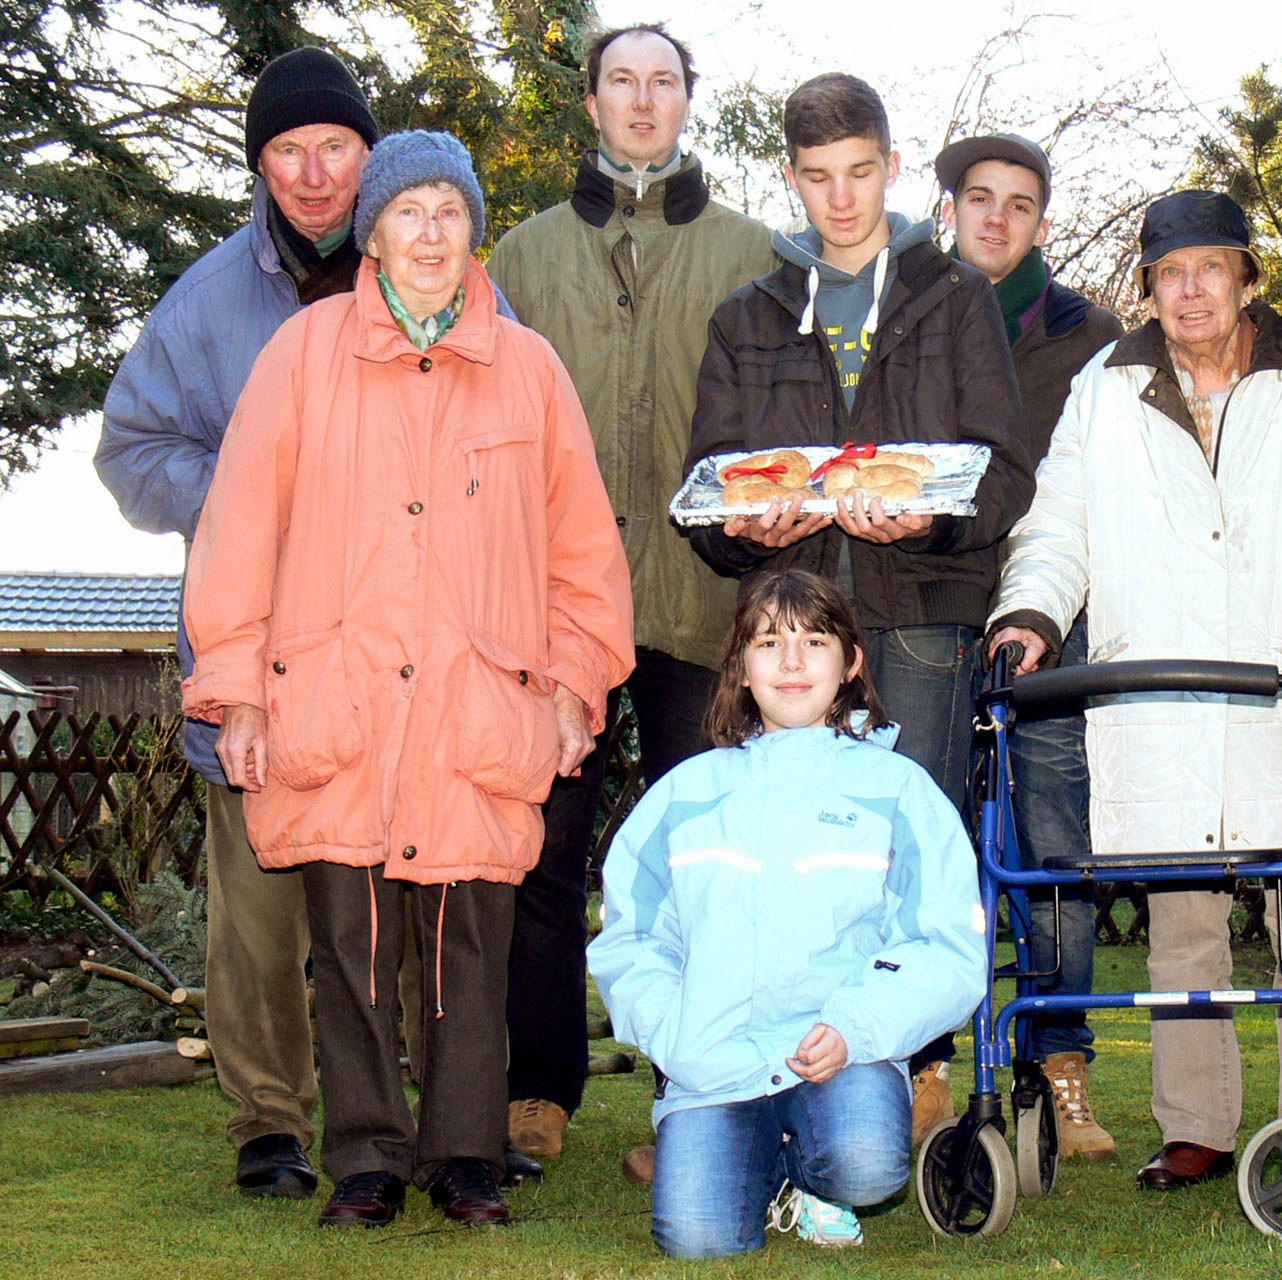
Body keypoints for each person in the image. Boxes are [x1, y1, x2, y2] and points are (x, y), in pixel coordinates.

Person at [180, 130, 634, 1228]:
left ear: (473, 228)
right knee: (353, 945)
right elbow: (238, 531)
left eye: (449, 211)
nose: (430, 234)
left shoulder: (529, 367)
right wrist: (238, 689)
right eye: (407, 213)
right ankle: (367, 1158)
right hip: (337, 697)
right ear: (372, 233)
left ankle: (465, 1154)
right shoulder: (302, 354)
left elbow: (581, 549)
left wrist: (574, 680)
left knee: (470, 944)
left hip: (478, 703)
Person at [988, 189, 1282, 1192]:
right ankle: (1196, 1127)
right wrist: (1030, 612)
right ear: (1149, 289)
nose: (1192, 290)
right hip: (1157, 685)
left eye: (1211, 267)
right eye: (1170, 273)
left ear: (1247, 277)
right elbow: (1059, 522)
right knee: (1182, 927)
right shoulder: (1105, 387)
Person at [685, 72, 1031, 1140]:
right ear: (791, 178)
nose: (842, 199)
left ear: (891, 165)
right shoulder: (747, 317)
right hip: (791, 626)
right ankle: (769, 1074)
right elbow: (708, 489)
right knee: (790, 860)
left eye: (861, 172)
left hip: (919, 615)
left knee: (911, 850)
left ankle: (918, 1067)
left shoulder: (955, 298)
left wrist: (928, 522)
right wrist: (746, 532)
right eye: (819, 177)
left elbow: (1005, 474)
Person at [92, 45, 380, 1201]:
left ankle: (398, 1102)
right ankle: (269, 1118)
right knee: (259, 912)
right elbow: (130, 450)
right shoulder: (208, 300)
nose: (313, 174)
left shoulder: (432, 269)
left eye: (333, 148)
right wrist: (251, 493)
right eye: (287, 151)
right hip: (255, 651)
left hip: (397, 654)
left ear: (367, 154)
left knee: (395, 899)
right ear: (261, 164)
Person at [487, 21, 774, 1179]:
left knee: (698, 864)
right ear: (593, 101)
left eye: (663, 82)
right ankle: (537, 1086)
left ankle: (692, 1089)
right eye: (622, 81)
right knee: (543, 855)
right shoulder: (520, 257)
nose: (643, 101)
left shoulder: (754, 252)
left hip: (705, 609)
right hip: (555, 613)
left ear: (687, 100)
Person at [588, 570, 987, 1259]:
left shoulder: (899, 791)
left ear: (851, 663)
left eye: (815, 642)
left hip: (840, 1059)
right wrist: (671, 1034)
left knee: (867, 1165)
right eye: (770, 642)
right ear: (742, 667)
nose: (793, 662)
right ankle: (762, 1165)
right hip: (715, 1063)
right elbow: (632, 938)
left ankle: (817, 1178)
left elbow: (946, 944)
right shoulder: (684, 795)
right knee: (697, 1239)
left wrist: (858, 1027)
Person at [933, 131, 1125, 1160]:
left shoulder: (1090, 336)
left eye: (1018, 203)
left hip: (1056, 617)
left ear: (1043, 222)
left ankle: (1059, 1060)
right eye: (980, 198)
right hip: (930, 598)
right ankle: (926, 1060)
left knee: (1055, 839)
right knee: (927, 832)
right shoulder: (910, 313)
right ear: (952, 210)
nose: (996, 218)